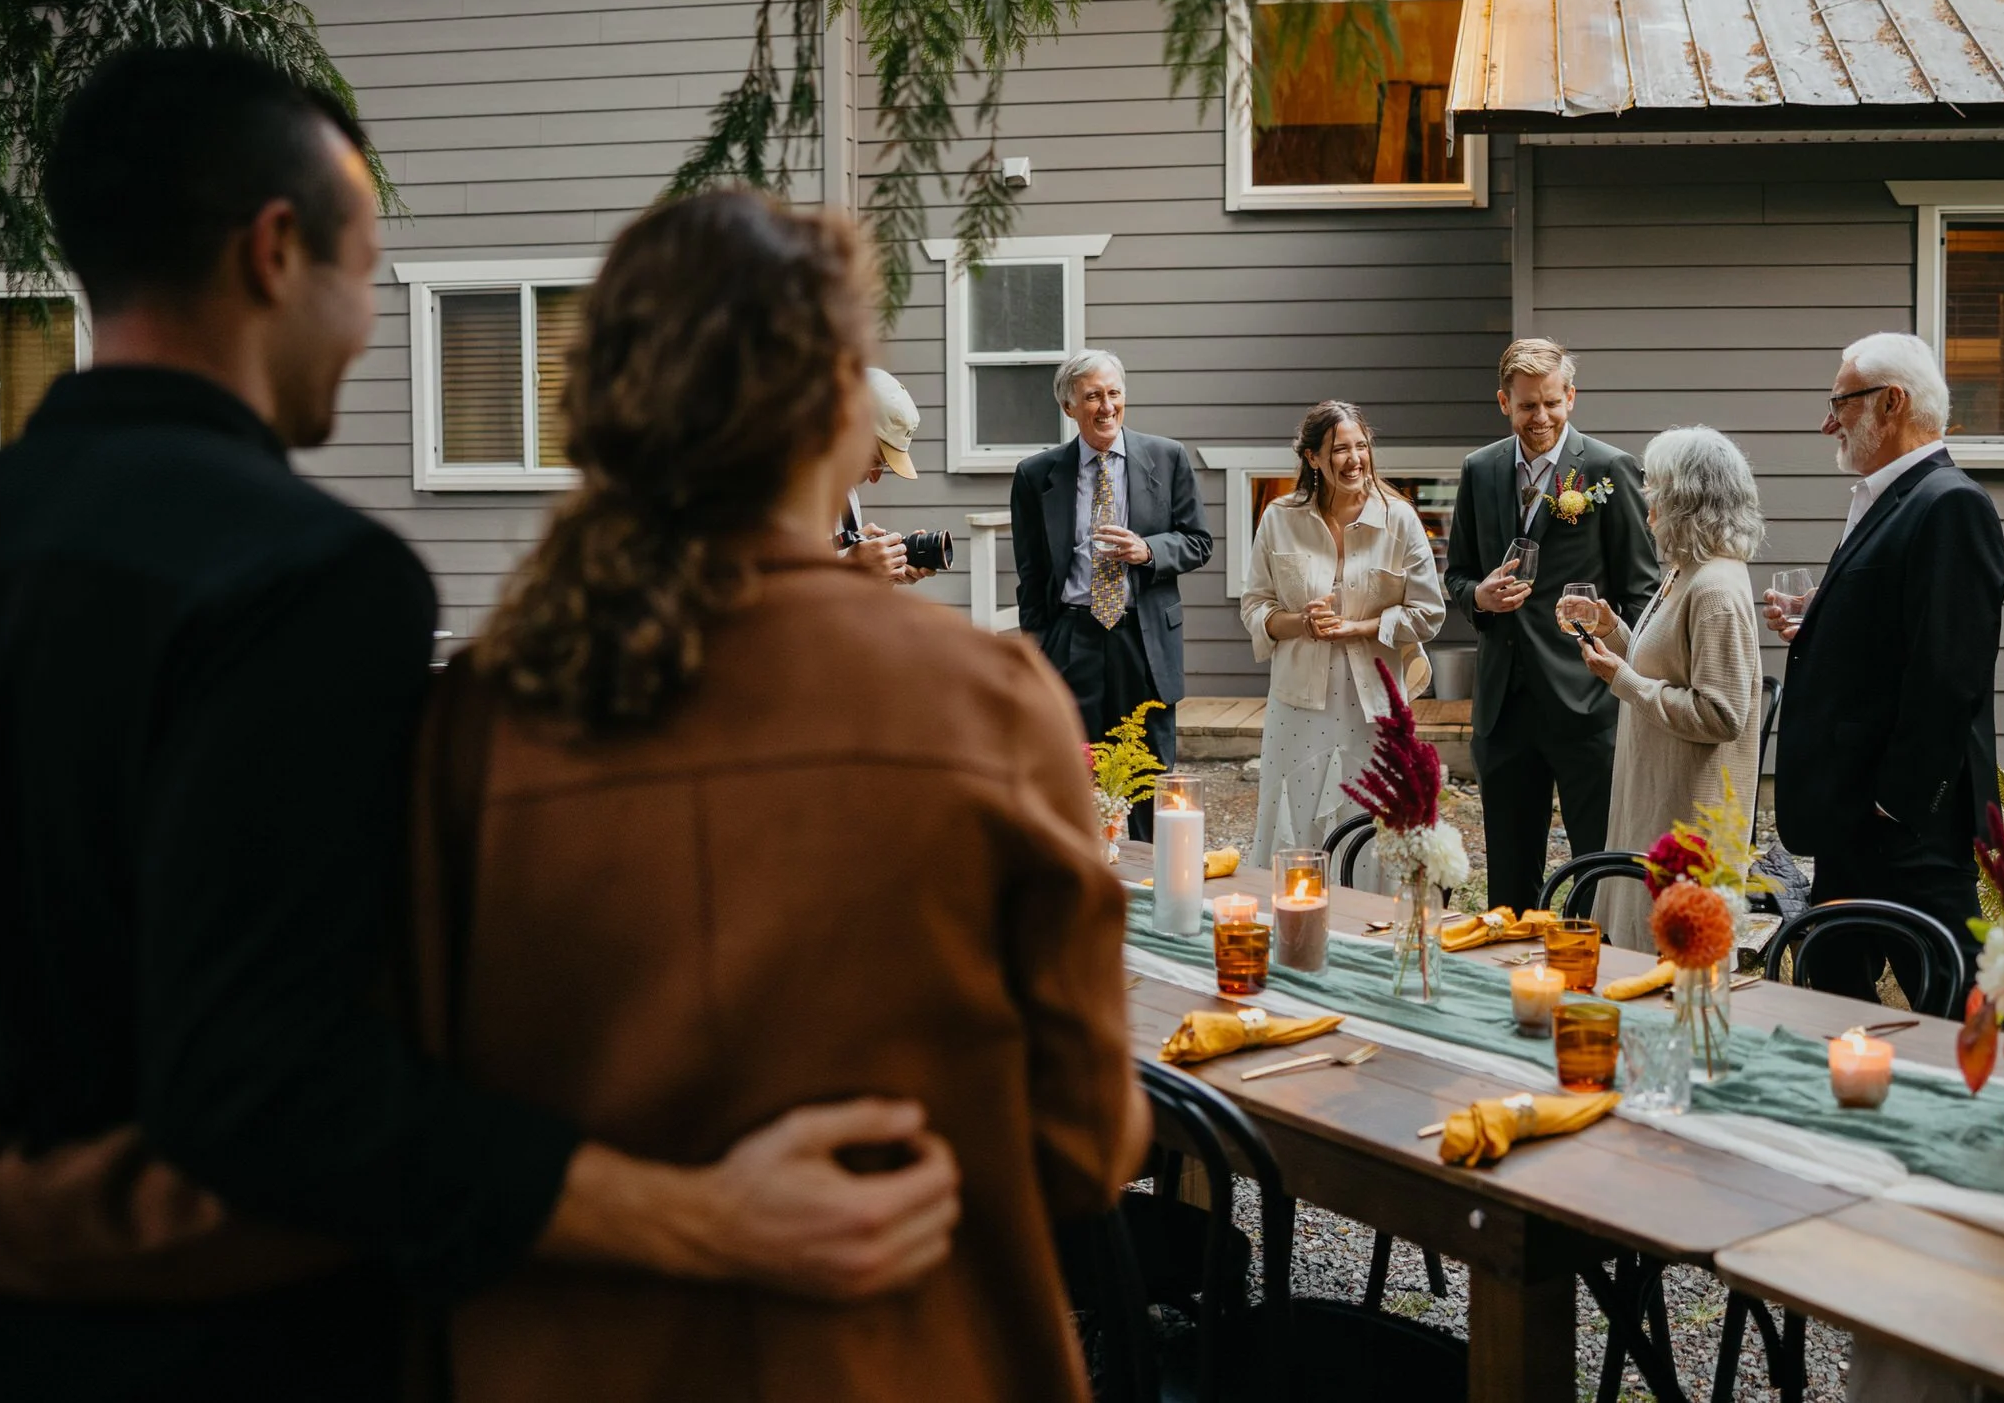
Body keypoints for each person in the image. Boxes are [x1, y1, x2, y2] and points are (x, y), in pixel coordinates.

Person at [0, 49, 962, 1401]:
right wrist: (705, 1214)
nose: (371, 319)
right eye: (368, 270)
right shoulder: (309, 584)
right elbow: (281, 1090)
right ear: (275, 252)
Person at [446, 190, 1144, 1403]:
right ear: (836, 402)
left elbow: (400, 1125)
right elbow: (1085, 1142)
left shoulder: (476, 716)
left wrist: (661, 1205)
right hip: (906, 1358)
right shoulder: (986, 702)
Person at [1763, 332, 2004, 1000]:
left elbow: (1949, 672)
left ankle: (1974, 1106)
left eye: (1839, 401)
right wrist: (1822, 613)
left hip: (1907, 826)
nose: (1828, 421)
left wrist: (1896, 803)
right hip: (1853, 818)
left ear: (1891, 401)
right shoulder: (1890, 496)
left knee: (1956, 1004)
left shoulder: (1949, 502)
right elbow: (1896, 624)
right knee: (1829, 994)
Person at [1444, 339, 1661, 912]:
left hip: (1587, 703)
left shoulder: (1609, 469)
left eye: (1551, 403)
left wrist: (1612, 654)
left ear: (1570, 396)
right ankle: (1513, 982)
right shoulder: (1480, 469)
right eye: (1526, 407)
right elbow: (1458, 575)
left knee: (1599, 868)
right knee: (1510, 879)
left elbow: (1642, 589)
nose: (1540, 419)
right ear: (1503, 403)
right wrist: (1481, 599)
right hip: (1504, 705)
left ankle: (1594, 976)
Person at [1567, 427, 1764, 949]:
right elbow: (1670, 667)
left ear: (1686, 499)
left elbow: (1722, 715)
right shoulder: (1686, 570)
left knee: (1674, 969)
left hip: (1688, 813)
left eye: (1655, 487)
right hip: (1654, 795)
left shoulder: (1716, 588)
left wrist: (1621, 680)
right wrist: (1613, 630)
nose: (1646, 498)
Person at [1009, 349, 1212, 840]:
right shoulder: (1036, 476)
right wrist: (1039, 646)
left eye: (1113, 393)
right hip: (1071, 638)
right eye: (1092, 396)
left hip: (1142, 642)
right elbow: (1031, 574)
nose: (1105, 406)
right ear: (1069, 407)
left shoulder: (1167, 457)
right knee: (1071, 776)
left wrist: (1147, 550)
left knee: (1147, 780)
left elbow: (1198, 542)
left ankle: (1151, 891)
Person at [1239, 402, 1445, 877]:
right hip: (1297, 704)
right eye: (1339, 450)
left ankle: (1370, 923)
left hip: (1372, 703)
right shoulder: (1278, 517)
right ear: (1313, 458)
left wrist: (1361, 628)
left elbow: (1428, 614)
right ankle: (1297, 920)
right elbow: (1254, 607)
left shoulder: (1400, 519)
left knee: (1372, 815)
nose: (1355, 459)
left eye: (1361, 446)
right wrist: (1300, 623)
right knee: (1297, 810)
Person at [837, 367, 936, 585]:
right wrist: (849, 568)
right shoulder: (779, 490)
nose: (873, 478)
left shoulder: (847, 496)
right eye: (874, 461)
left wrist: (883, 577)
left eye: (882, 466)